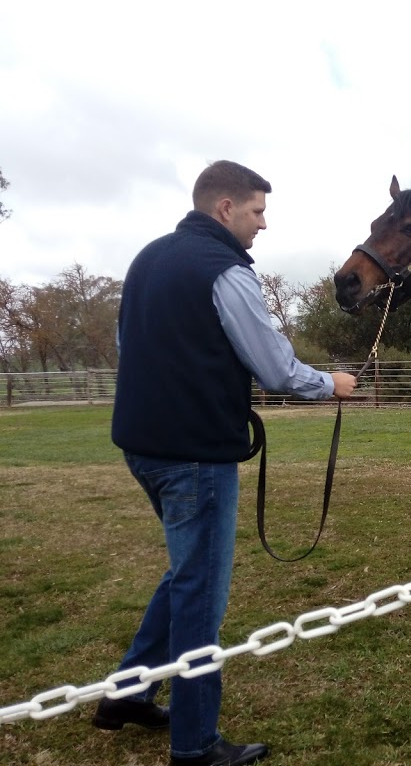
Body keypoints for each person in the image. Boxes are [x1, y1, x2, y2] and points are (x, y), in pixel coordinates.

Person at [97, 160, 357, 766]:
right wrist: (332, 383)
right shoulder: (227, 273)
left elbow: (128, 347)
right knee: (200, 594)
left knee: (185, 574)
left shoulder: (147, 260)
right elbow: (276, 369)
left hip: (143, 447)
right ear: (225, 209)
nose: (263, 225)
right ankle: (195, 745)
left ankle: (126, 695)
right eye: (258, 211)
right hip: (194, 455)